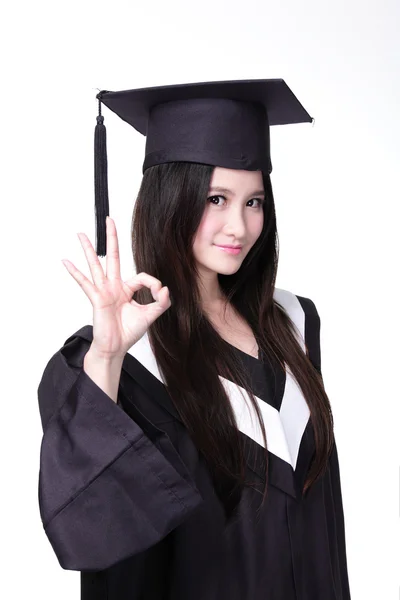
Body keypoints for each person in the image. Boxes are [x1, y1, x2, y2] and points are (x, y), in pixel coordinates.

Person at [37, 79, 352, 599]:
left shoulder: (295, 322)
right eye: (216, 198)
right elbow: (88, 528)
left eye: (254, 201)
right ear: (173, 199)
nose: (239, 226)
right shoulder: (127, 356)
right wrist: (109, 357)